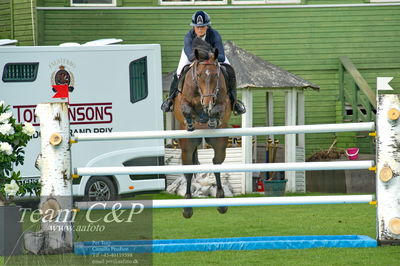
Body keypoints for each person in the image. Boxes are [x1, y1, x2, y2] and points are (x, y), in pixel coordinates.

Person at [161, 10, 246, 115]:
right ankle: (170, 99)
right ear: (194, 27)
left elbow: (222, 57)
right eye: (198, 27)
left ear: (207, 26)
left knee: (229, 69)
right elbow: (191, 56)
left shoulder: (214, 35)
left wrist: (209, 56)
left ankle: (234, 102)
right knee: (179, 72)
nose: (200, 29)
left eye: (203, 27)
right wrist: (204, 55)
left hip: (212, 56)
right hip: (193, 55)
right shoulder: (188, 36)